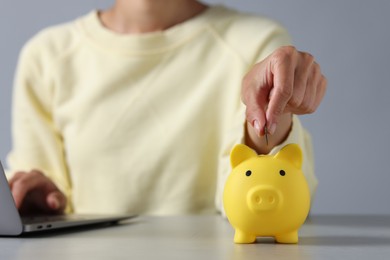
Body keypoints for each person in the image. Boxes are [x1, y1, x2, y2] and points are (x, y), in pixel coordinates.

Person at [7, 0, 326, 216]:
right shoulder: (46, 57)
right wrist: (33, 198)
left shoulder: (254, 44)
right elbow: (37, 193)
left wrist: (273, 114)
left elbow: (270, 209)